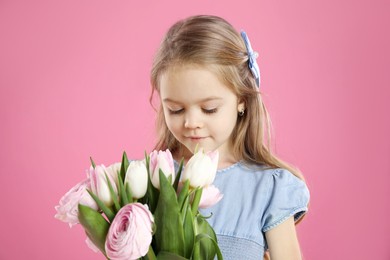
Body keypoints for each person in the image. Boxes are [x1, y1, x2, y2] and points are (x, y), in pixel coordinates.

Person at [149, 15, 310, 260]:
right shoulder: (156, 178)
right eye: (176, 110)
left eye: (209, 109)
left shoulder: (268, 188)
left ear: (242, 101)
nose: (191, 123)